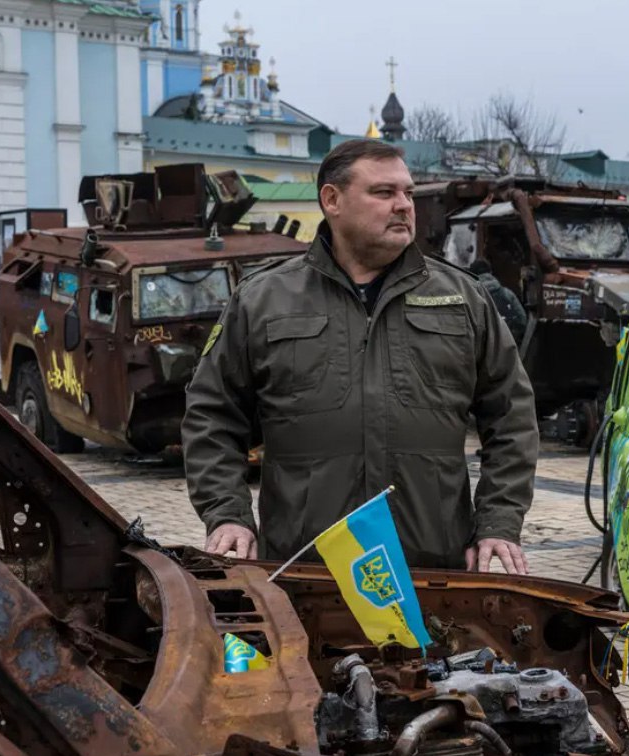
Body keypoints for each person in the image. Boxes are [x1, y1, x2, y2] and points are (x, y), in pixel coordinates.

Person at [181, 139, 539, 574]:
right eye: (383, 192)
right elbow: (212, 414)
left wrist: (498, 522)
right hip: (304, 569)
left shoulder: (462, 298)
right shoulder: (264, 299)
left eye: (407, 193)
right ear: (332, 200)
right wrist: (227, 514)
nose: (404, 205)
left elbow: (511, 415)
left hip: (432, 569)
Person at [468, 258, 528, 345]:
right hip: (507, 344)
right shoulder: (507, 293)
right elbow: (522, 320)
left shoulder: (471, 296)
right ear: (491, 272)